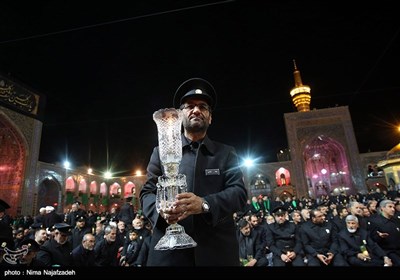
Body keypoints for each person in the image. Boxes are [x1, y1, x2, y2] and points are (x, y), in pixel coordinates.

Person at [140, 77, 247, 266]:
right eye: (189, 106)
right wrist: (161, 212)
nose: (196, 110)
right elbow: (146, 193)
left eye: (203, 107)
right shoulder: (161, 153)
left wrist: (205, 204)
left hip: (216, 252)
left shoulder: (226, 153)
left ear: (210, 117)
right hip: (169, 253)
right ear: (180, 116)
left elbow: (238, 193)